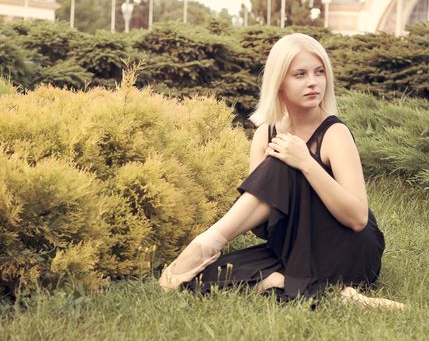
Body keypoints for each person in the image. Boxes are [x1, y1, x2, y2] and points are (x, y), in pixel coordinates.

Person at [158, 33, 404, 310]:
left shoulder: (335, 132)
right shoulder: (266, 134)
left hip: (348, 248)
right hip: (296, 248)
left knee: (282, 159)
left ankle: (207, 242)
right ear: (280, 84)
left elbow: (358, 219)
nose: (313, 82)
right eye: (300, 74)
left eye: (319, 72)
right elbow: (263, 224)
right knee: (210, 274)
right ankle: (323, 291)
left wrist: (306, 163)